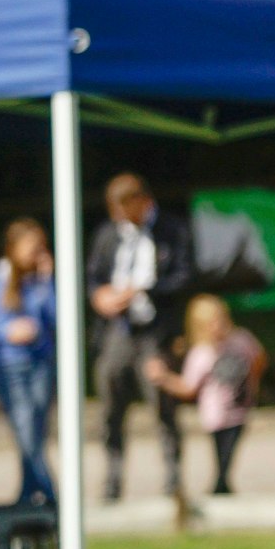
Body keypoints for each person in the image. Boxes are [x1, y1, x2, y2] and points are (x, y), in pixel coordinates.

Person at [86, 172, 195, 500]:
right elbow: (93, 276)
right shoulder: (108, 235)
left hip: (156, 332)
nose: (120, 217)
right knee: (110, 396)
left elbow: (185, 277)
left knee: (161, 400)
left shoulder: (172, 231)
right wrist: (101, 296)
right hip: (118, 331)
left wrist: (143, 289)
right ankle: (113, 477)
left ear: (142, 201)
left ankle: (173, 476)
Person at [145, 295, 266, 495]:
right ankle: (220, 484)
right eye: (211, 323)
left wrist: (252, 383)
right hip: (215, 413)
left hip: (238, 409)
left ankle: (222, 483)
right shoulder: (201, 353)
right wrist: (164, 378)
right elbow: (188, 387)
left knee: (230, 449)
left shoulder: (241, 340)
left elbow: (259, 358)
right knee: (221, 451)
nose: (218, 327)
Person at [0, 219, 58, 505]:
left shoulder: (40, 279)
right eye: (31, 248)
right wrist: (7, 331)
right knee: (24, 425)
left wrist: (49, 279)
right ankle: (49, 491)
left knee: (37, 428)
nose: (36, 253)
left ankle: (28, 491)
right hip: (8, 363)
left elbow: (59, 316)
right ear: (13, 248)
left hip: (41, 361)